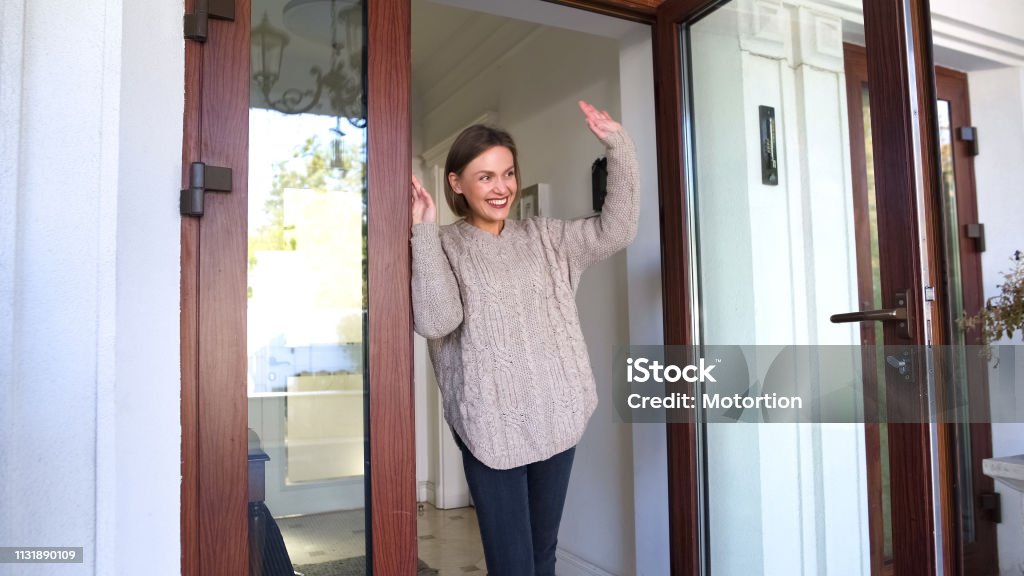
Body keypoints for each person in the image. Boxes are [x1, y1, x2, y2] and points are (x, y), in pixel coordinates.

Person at [409, 100, 639, 576]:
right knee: (513, 565)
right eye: (486, 176)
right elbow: (436, 320)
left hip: (557, 414)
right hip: (490, 427)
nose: (502, 188)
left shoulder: (546, 237)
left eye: (508, 174)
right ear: (456, 182)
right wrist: (424, 233)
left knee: (542, 555)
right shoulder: (444, 246)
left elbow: (617, 230)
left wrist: (619, 146)